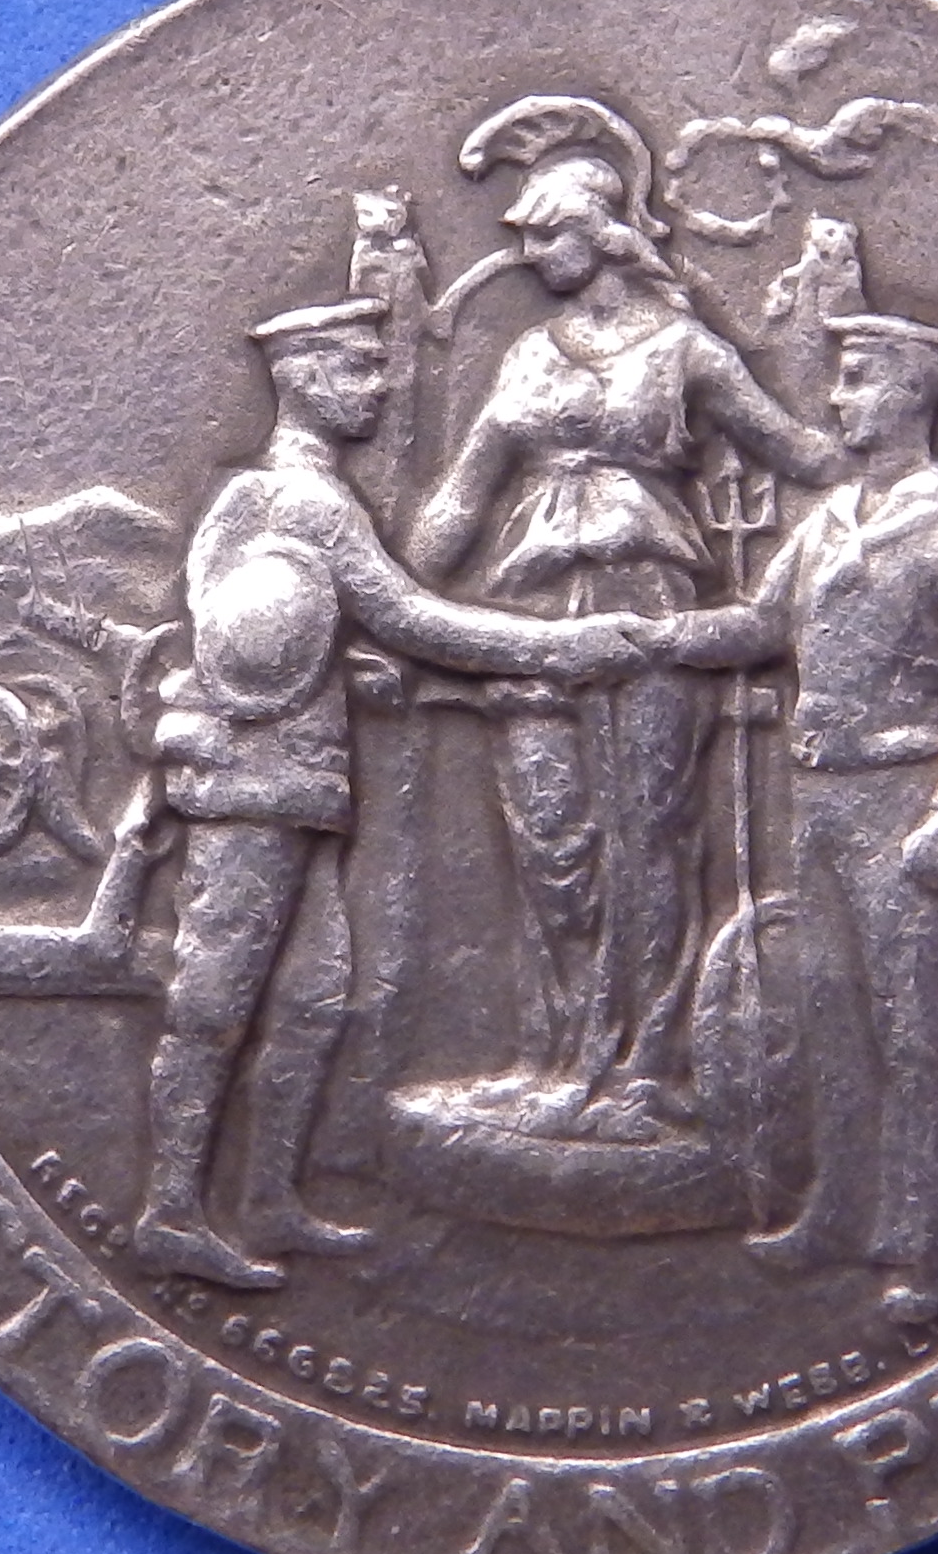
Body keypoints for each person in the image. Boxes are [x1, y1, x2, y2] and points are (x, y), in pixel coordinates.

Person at [129, 297, 650, 1289]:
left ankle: (267, 1200)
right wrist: (558, 644)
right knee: (216, 997)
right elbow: (411, 620)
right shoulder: (303, 502)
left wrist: (366, 667)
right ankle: (168, 1213)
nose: (377, 386)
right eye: (358, 368)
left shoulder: (254, 501)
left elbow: (297, 632)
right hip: (253, 786)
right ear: (305, 376)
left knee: (314, 998)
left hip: (296, 786)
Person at [406, 147, 840, 1130]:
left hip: (650, 608)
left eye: (545, 231)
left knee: (651, 834)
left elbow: (797, 451)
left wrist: (898, 468)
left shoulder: (687, 349)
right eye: (523, 235)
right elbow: (463, 494)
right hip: (530, 612)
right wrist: (389, 594)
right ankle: (557, 1055)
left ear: (601, 232)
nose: (529, 250)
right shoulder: (528, 355)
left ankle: (647, 1066)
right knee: (549, 838)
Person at [649, 313, 938, 1329]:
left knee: (911, 1027)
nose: (836, 397)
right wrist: (654, 635)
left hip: (900, 798)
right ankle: (835, 1211)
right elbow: (759, 627)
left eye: (858, 378)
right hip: (817, 797)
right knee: (826, 1009)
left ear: (909, 391)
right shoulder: (825, 522)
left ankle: (922, 1246)